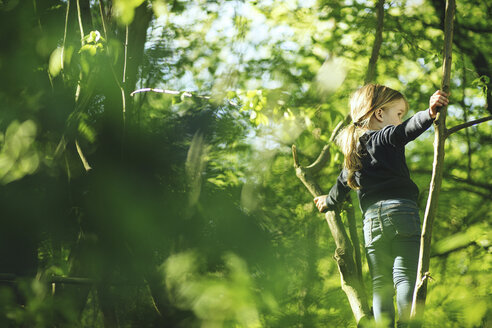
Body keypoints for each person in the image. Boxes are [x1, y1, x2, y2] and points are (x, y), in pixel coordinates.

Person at [313, 84, 449, 327]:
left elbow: (340, 187)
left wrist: (327, 201)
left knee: (381, 281)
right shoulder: (385, 137)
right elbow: (406, 131)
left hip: (372, 221)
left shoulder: (353, 156)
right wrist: (429, 113)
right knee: (405, 276)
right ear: (379, 114)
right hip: (401, 212)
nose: (399, 120)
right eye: (398, 114)